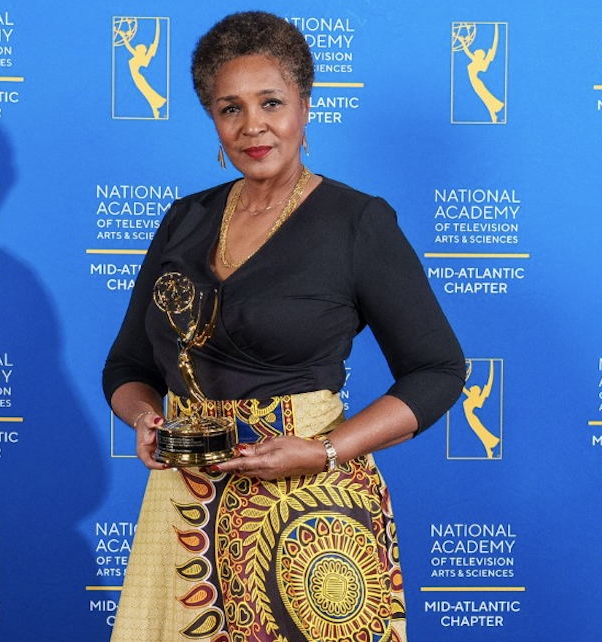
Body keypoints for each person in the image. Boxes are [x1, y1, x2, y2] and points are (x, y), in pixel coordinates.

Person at [103, 11, 465, 642]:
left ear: (304, 105)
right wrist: (142, 417)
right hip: (183, 508)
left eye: (270, 102)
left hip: (309, 513)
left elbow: (437, 371)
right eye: (229, 108)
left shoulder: (357, 223)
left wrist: (327, 449)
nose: (253, 126)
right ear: (212, 121)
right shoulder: (184, 220)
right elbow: (129, 366)